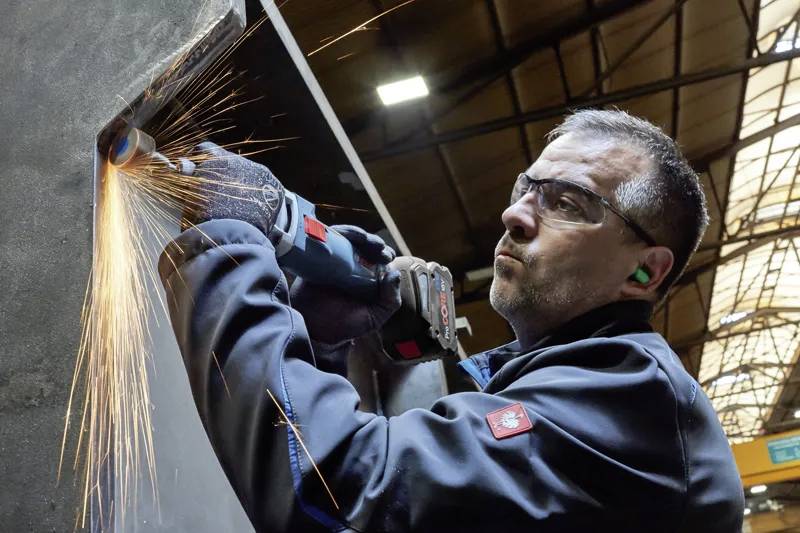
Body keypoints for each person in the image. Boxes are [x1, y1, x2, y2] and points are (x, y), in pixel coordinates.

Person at [158, 109, 744, 532]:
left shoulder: (628, 397)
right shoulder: (545, 382)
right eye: (527, 189)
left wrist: (229, 253)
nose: (514, 214)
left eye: (566, 203)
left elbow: (349, 494)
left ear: (645, 273)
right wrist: (327, 343)